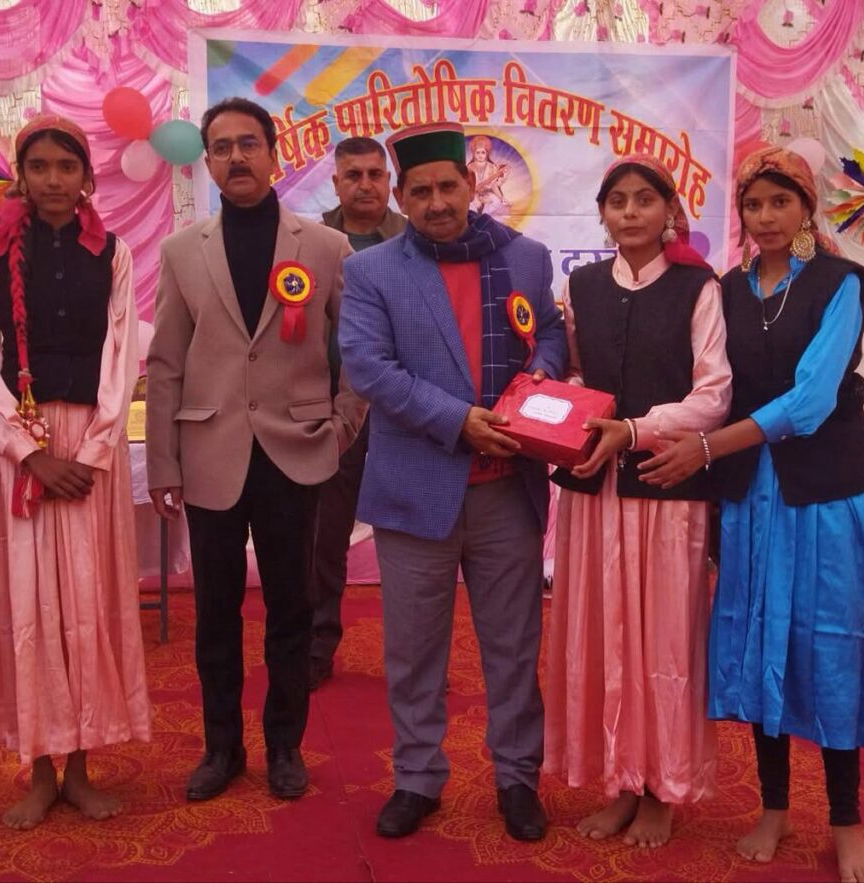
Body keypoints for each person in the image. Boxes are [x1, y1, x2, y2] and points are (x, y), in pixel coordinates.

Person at [639, 143, 864, 883]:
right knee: (759, 644)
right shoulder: (726, 288)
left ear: (807, 207)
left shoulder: (842, 282)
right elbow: (708, 380)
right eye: (753, 204)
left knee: (832, 647)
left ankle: (845, 820)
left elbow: (812, 401)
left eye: (781, 201)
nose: (766, 216)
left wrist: (707, 447)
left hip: (826, 493)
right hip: (751, 495)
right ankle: (775, 808)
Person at [338, 122, 566, 841]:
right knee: (412, 650)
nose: (436, 202)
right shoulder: (371, 272)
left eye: (447, 186)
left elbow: (550, 333)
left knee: (514, 645)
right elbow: (369, 369)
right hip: (416, 487)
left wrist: (540, 380)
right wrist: (459, 420)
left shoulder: (525, 257)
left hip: (508, 491)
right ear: (400, 198)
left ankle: (517, 777)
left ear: (471, 185)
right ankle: (416, 777)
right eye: (420, 191)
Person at [146, 98, 365, 803]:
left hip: (296, 451)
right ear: (207, 162)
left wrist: (342, 426)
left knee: (292, 610)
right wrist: (162, 462)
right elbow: (165, 364)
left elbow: (359, 352)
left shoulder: (325, 247)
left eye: (248, 144)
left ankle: (284, 747)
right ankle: (222, 749)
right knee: (214, 613)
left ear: (274, 154)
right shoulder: (182, 251)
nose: (236, 157)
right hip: (209, 452)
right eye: (221, 147)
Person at [0, 114, 150, 829]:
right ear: (21, 175)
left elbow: (122, 356)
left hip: (89, 449)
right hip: (21, 444)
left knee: (87, 604)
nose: (52, 179)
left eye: (66, 166)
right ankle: (39, 770)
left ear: (87, 176)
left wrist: (91, 453)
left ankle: (81, 769)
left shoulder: (115, 252)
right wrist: (29, 453)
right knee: (29, 607)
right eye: (38, 166)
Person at [544, 156, 731, 848]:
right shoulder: (582, 286)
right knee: (602, 636)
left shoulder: (698, 287)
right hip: (594, 492)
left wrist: (634, 429)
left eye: (644, 199)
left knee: (664, 640)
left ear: (669, 211)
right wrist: (565, 409)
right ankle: (622, 781)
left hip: (665, 487)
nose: (630, 212)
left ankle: (663, 788)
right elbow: (571, 372)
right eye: (617, 201)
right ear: (602, 213)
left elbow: (715, 394)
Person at [310, 137, 406, 691]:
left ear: (389, 182)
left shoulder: (417, 238)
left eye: (375, 174)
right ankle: (317, 647)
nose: (365, 184)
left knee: (413, 541)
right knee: (324, 536)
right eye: (354, 175)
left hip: (404, 412)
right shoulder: (309, 240)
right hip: (335, 408)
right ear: (336, 182)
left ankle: (415, 659)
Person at [467, 135, 509, 214]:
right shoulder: (469, 167)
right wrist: (476, 194)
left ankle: (485, 215)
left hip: (487, 193)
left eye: (483, 152)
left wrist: (501, 197)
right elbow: (469, 186)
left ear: (487, 154)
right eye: (478, 152)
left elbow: (494, 186)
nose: (480, 155)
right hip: (474, 194)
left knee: (496, 201)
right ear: (474, 154)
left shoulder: (492, 167)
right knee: (470, 204)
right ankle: (475, 216)